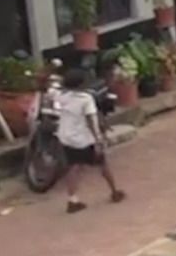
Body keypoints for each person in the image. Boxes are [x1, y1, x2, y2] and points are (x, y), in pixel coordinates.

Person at [49, 67, 124, 213]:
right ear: (81, 84)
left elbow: (50, 91)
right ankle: (114, 192)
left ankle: (72, 200)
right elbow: (90, 120)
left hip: (66, 137)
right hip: (84, 138)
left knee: (73, 167)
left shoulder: (61, 96)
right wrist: (98, 140)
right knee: (103, 164)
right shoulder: (85, 99)